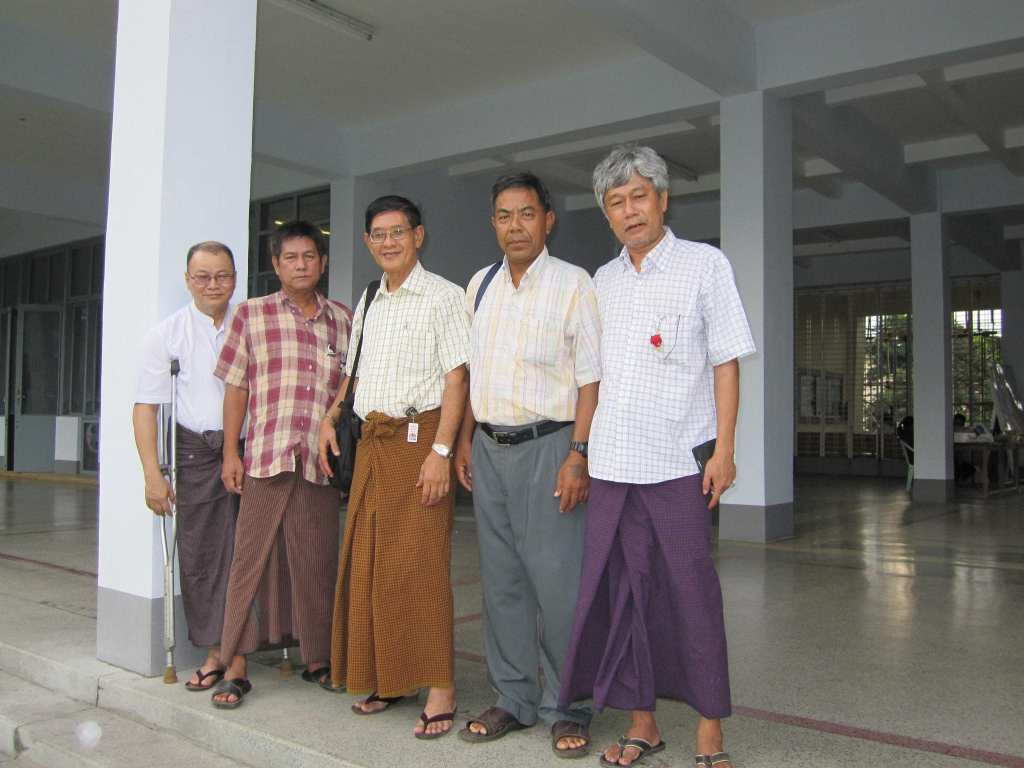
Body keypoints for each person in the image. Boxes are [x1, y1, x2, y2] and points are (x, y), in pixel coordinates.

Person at [558, 146, 755, 768]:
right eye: (615, 202)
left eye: (639, 196)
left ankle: (709, 729)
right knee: (625, 597)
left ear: (663, 200)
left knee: (692, 594)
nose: (629, 210)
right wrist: (580, 453)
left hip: (676, 466)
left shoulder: (704, 265)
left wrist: (725, 449)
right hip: (613, 466)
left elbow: (726, 363)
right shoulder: (601, 282)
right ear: (606, 213)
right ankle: (642, 723)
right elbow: (591, 379)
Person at [453, 173, 601, 757]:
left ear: (548, 220)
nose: (515, 226)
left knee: (559, 585)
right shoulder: (480, 285)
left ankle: (569, 706)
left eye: (527, 214)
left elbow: (590, 379)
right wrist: (464, 440)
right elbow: (473, 373)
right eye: (504, 216)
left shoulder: (574, 284)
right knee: (502, 583)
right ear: (493, 223)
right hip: (490, 448)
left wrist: (578, 454)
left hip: (551, 448)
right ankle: (513, 698)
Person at [319, 195, 470, 739]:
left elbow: (457, 379)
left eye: (398, 232)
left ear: (418, 236)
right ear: (367, 242)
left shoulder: (445, 297)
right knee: (373, 565)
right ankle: (390, 677)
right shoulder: (369, 299)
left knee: (421, 567)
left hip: (420, 440)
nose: (389, 242)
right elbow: (354, 374)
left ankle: (440, 686)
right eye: (379, 234)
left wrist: (441, 452)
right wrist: (330, 416)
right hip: (374, 443)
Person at [211, 220, 352, 708]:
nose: (300, 265)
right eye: (290, 257)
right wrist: (231, 451)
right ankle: (235, 664)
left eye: (309, 256)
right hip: (265, 457)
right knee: (249, 562)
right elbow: (236, 387)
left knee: (316, 561)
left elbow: (349, 389)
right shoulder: (251, 315)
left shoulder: (342, 320)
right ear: (275, 264)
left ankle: (318, 658)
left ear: (323, 262)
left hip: (319, 463)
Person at [132, 240, 239, 692]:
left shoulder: (249, 323)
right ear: (187, 280)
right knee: (201, 554)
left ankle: (245, 650)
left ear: (235, 278)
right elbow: (146, 407)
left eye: (223, 276)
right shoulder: (167, 335)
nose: (213, 285)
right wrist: (152, 475)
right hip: (194, 452)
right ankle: (216, 651)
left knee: (251, 549)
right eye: (203, 277)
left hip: (248, 448)